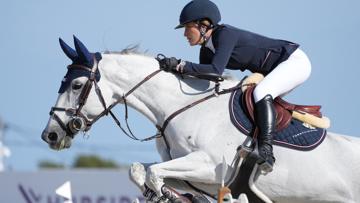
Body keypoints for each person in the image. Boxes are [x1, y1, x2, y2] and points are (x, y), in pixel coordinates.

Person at [158, 0, 312, 172]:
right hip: (275, 69)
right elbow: (205, 83)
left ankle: (266, 151)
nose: (185, 33)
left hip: (294, 62)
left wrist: (180, 64)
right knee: (252, 96)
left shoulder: (225, 34)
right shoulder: (206, 51)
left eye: (188, 27)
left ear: (204, 25)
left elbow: (216, 71)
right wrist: (172, 71)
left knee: (261, 92)